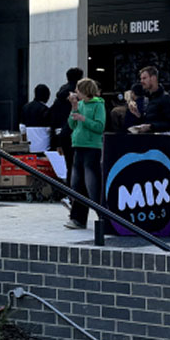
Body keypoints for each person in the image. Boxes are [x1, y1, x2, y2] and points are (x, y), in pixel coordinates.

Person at [62, 78, 105, 230]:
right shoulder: (79, 104)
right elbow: (72, 124)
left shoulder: (98, 105)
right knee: (77, 183)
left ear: (85, 90)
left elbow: (100, 126)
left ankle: (104, 216)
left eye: (78, 89)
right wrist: (74, 108)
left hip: (92, 147)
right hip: (78, 146)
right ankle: (77, 218)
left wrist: (84, 119)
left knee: (93, 183)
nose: (75, 92)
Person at [126, 66, 170, 134]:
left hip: (160, 138)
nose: (141, 81)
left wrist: (151, 127)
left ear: (153, 78)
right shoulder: (147, 98)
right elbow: (148, 120)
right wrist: (138, 114)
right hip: (148, 138)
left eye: (144, 78)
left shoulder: (166, 98)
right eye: (141, 79)